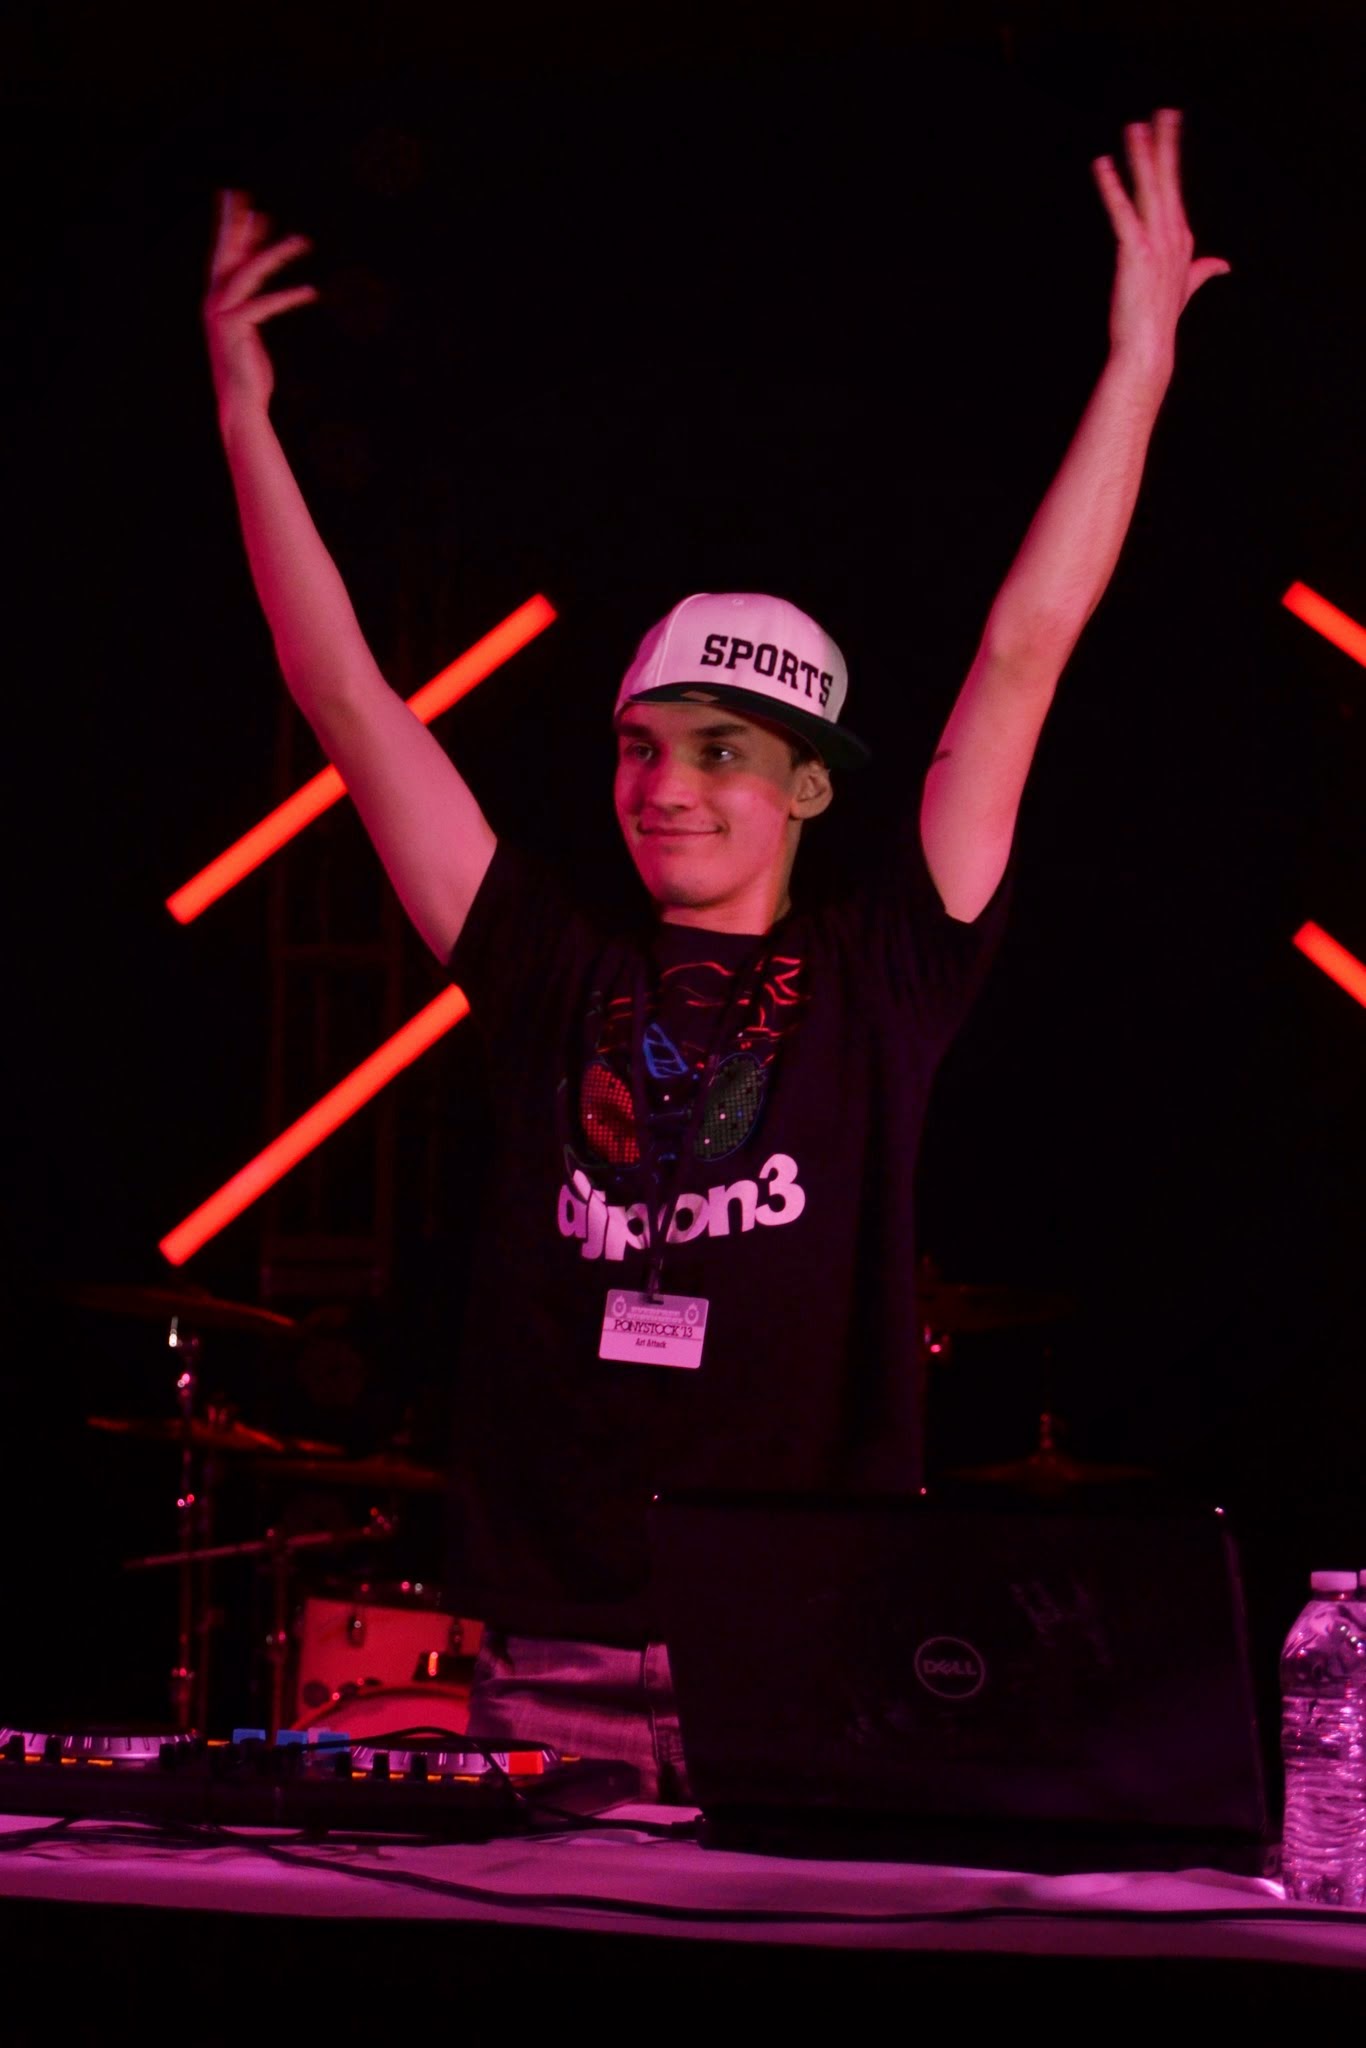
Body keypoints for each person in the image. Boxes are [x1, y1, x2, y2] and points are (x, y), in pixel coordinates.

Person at [203, 109, 1228, 1797]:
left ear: (809, 785)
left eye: (720, 752)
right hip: (549, 1650)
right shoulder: (548, 962)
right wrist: (245, 417)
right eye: (640, 746)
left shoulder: (884, 967)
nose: (664, 786)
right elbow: (349, 703)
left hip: (803, 1649)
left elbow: (1025, 649)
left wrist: (1138, 365)